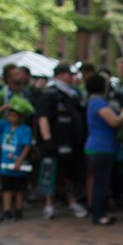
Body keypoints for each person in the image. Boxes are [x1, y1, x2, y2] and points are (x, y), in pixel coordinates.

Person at [35, 62, 87, 219]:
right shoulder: (50, 94)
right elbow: (42, 117)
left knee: (68, 174)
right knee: (49, 173)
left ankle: (72, 202)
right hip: (54, 142)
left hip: (70, 142)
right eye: (70, 75)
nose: (72, 78)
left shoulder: (72, 95)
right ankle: (48, 204)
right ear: (62, 75)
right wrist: (47, 139)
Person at [84, 73, 123, 226]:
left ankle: (99, 212)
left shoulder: (95, 102)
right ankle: (98, 215)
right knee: (100, 182)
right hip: (100, 148)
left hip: (101, 147)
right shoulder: (97, 103)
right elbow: (114, 121)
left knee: (101, 181)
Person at [0, 97, 35, 222]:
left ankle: (19, 210)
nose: (12, 117)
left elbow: (27, 146)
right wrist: (4, 107)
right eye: (10, 115)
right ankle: (7, 210)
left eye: (15, 115)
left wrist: (19, 160)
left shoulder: (25, 129)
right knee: (6, 188)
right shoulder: (5, 126)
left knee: (19, 189)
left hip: (19, 164)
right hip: (5, 164)